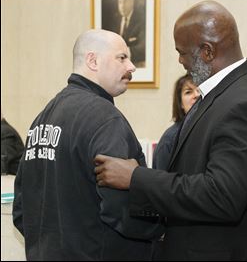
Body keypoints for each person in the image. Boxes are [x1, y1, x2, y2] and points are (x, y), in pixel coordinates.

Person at [94, 0, 247, 261]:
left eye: (182, 52)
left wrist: (136, 178)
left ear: (207, 52)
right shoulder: (222, 93)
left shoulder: (245, 104)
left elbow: (221, 195)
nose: (180, 60)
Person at [12, 29, 163, 261]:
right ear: (93, 61)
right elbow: (122, 208)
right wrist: (161, 226)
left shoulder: (42, 118)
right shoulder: (105, 119)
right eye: (122, 58)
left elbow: (22, 210)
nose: (131, 66)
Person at [152, 74, 200, 170]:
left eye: (199, 90)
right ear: (180, 103)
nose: (196, 95)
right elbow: (160, 181)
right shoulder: (170, 139)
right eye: (188, 92)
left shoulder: (209, 129)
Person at [102, 0, 146, 67]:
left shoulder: (142, 20)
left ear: (132, 1)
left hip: (135, 65)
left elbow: (143, 48)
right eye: (120, 2)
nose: (122, 6)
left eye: (125, 1)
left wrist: (122, 54)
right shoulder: (114, 19)